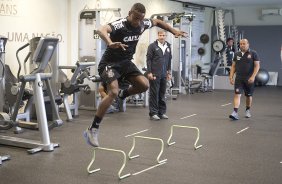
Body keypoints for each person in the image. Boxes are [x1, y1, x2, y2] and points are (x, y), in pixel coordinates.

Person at [83, 3, 187, 147]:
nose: (138, 22)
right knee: (112, 91)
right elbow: (101, 30)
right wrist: (110, 42)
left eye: (140, 19)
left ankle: (122, 95)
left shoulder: (142, 24)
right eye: (136, 18)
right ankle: (93, 129)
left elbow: (157, 22)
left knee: (144, 85)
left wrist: (173, 30)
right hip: (109, 63)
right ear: (130, 12)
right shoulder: (119, 25)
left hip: (126, 63)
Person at [229, 39, 260, 120]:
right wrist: (231, 77)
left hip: (249, 79)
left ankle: (247, 110)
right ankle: (235, 112)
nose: (242, 45)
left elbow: (257, 66)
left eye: (244, 43)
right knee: (237, 94)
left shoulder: (253, 53)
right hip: (239, 78)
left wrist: (253, 76)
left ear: (248, 44)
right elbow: (233, 66)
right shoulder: (237, 54)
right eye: (241, 44)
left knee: (248, 96)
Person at [146, 30, 172, 120]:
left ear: (166, 36)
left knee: (162, 93)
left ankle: (161, 112)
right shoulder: (152, 46)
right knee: (154, 94)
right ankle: (153, 113)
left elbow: (169, 60)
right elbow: (148, 60)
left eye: (163, 35)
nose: (162, 37)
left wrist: (169, 72)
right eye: (160, 35)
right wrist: (149, 72)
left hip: (164, 74)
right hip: (154, 74)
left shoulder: (168, 46)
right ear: (158, 35)